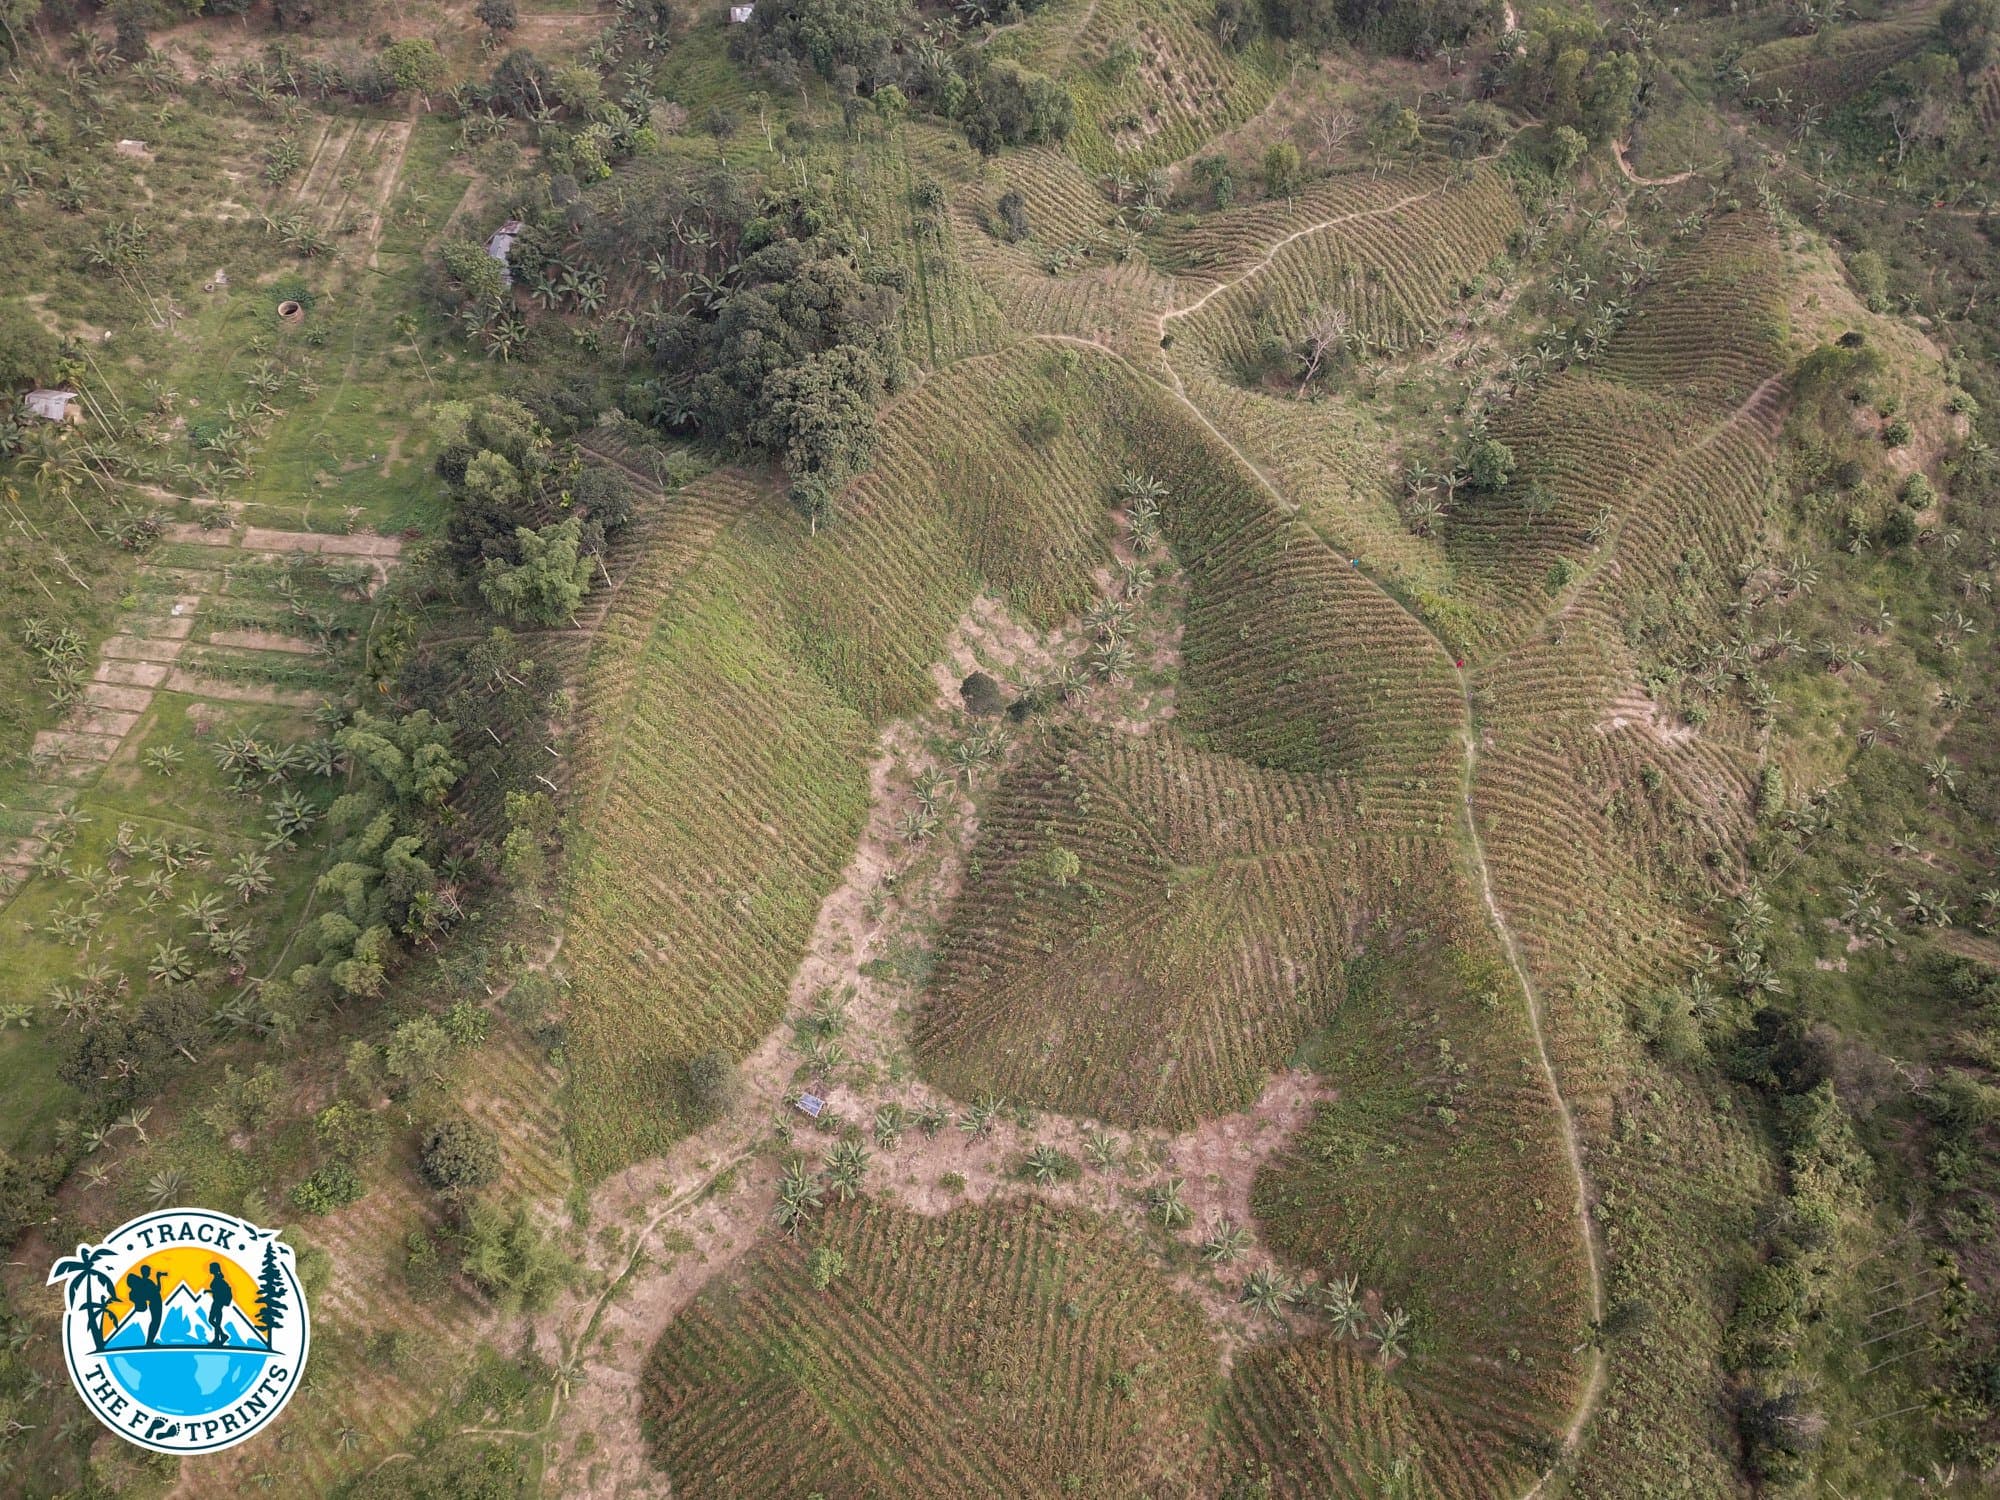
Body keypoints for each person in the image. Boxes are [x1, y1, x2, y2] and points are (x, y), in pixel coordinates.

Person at [125, 1265, 163, 1346]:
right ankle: (149, 1342)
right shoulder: (147, 1282)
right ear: (145, 1272)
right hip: (156, 1302)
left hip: (154, 1302)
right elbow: (157, 1290)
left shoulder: (142, 1283)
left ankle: (149, 1341)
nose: (149, 1273)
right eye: (148, 1271)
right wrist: (158, 1278)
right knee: (155, 1322)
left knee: (155, 1322)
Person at [205, 1263, 233, 1347]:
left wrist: (210, 1291)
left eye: (210, 1268)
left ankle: (219, 1338)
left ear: (214, 1269)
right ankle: (221, 1337)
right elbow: (217, 1290)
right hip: (217, 1302)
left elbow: (219, 1291)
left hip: (217, 1303)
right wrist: (209, 1291)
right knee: (215, 1321)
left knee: (212, 1320)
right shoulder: (218, 1278)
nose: (209, 1269)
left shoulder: (218, 1279)